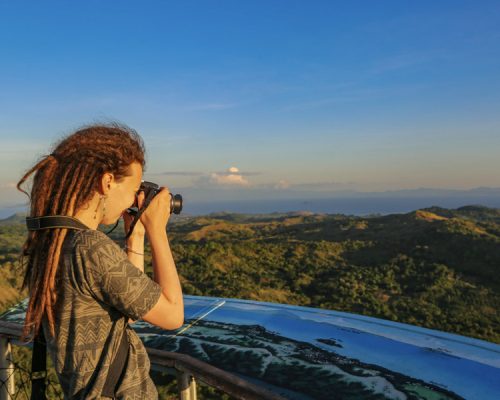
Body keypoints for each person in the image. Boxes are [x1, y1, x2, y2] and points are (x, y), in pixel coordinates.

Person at [17, 124, 184, 399]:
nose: (133, 198)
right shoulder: (90, 247)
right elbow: (172, 315)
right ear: (107, 182)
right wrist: (157, 230)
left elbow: (128, 310)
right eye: (133, 188)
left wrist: (136, 235)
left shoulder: (57, 241)